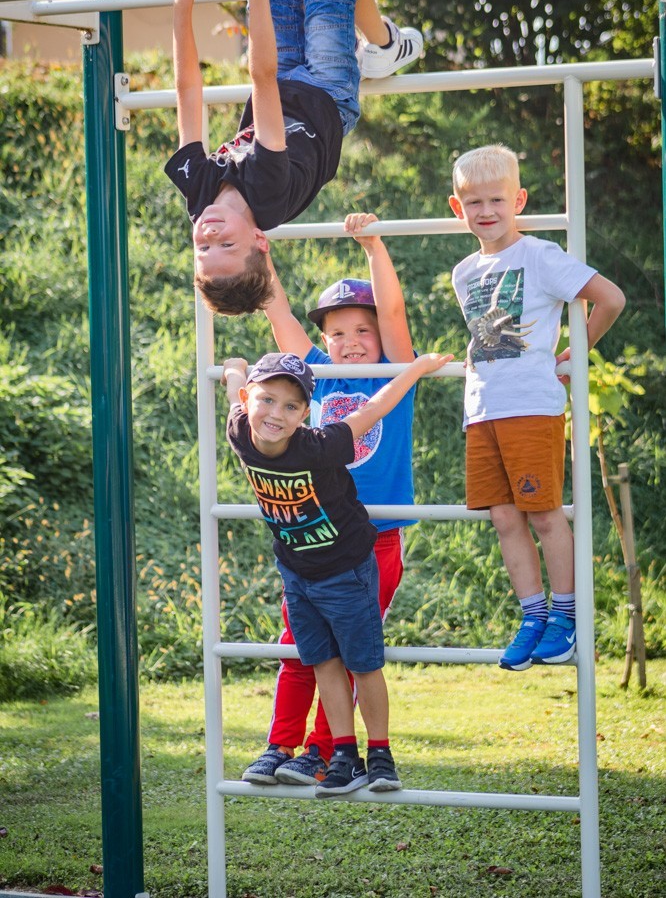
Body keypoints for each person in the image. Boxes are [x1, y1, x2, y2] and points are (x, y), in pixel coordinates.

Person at [223, 349, 452, 795]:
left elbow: (375, 407)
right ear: (250, 398)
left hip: (346, 567)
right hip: (296, 571)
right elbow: (234, 387)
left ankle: (380, 755)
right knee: (321, 660)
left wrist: (419, 368)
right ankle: (344, 753)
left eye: (291, 407)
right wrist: (233, 366)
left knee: (362, 663)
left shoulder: (320, 444)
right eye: (267, 400)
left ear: (306, 414)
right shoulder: (239, 430)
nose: (276, 414)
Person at [241, 213, 417, 788]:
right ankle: (281, 744)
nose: (351, 342)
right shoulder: (313, 380)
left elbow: (393, 314)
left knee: (349, 648)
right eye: (337, 333)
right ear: (323, 343)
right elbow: (278, 314)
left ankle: (324, 750)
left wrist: (373, 247)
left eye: (362, 331)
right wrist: (258, 253)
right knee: (301, 646)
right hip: (313, 537)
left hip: (374, 540)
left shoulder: (392, 374)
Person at [448, 144, 626, 671]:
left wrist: (576, 351)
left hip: (531, 406)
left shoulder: (541, 256)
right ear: (457, 208)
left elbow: (610, 298)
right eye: (473, 201)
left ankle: (566, 618)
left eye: (497, 200)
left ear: (518, 199)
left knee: (543, 514)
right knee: (504, 518)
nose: (486, 211)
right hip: (482, 409)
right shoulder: (463, 272)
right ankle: (533, 615)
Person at [165, 0, 423, 316]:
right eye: (227, 244)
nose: (209, 237)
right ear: (259, 240)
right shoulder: (267, 192)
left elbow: (188, 92)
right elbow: (261, 77)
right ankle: (386, 44)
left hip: (282, 82)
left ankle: (375, 46)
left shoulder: (199, 196)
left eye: (204, 252)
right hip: (327, 95)